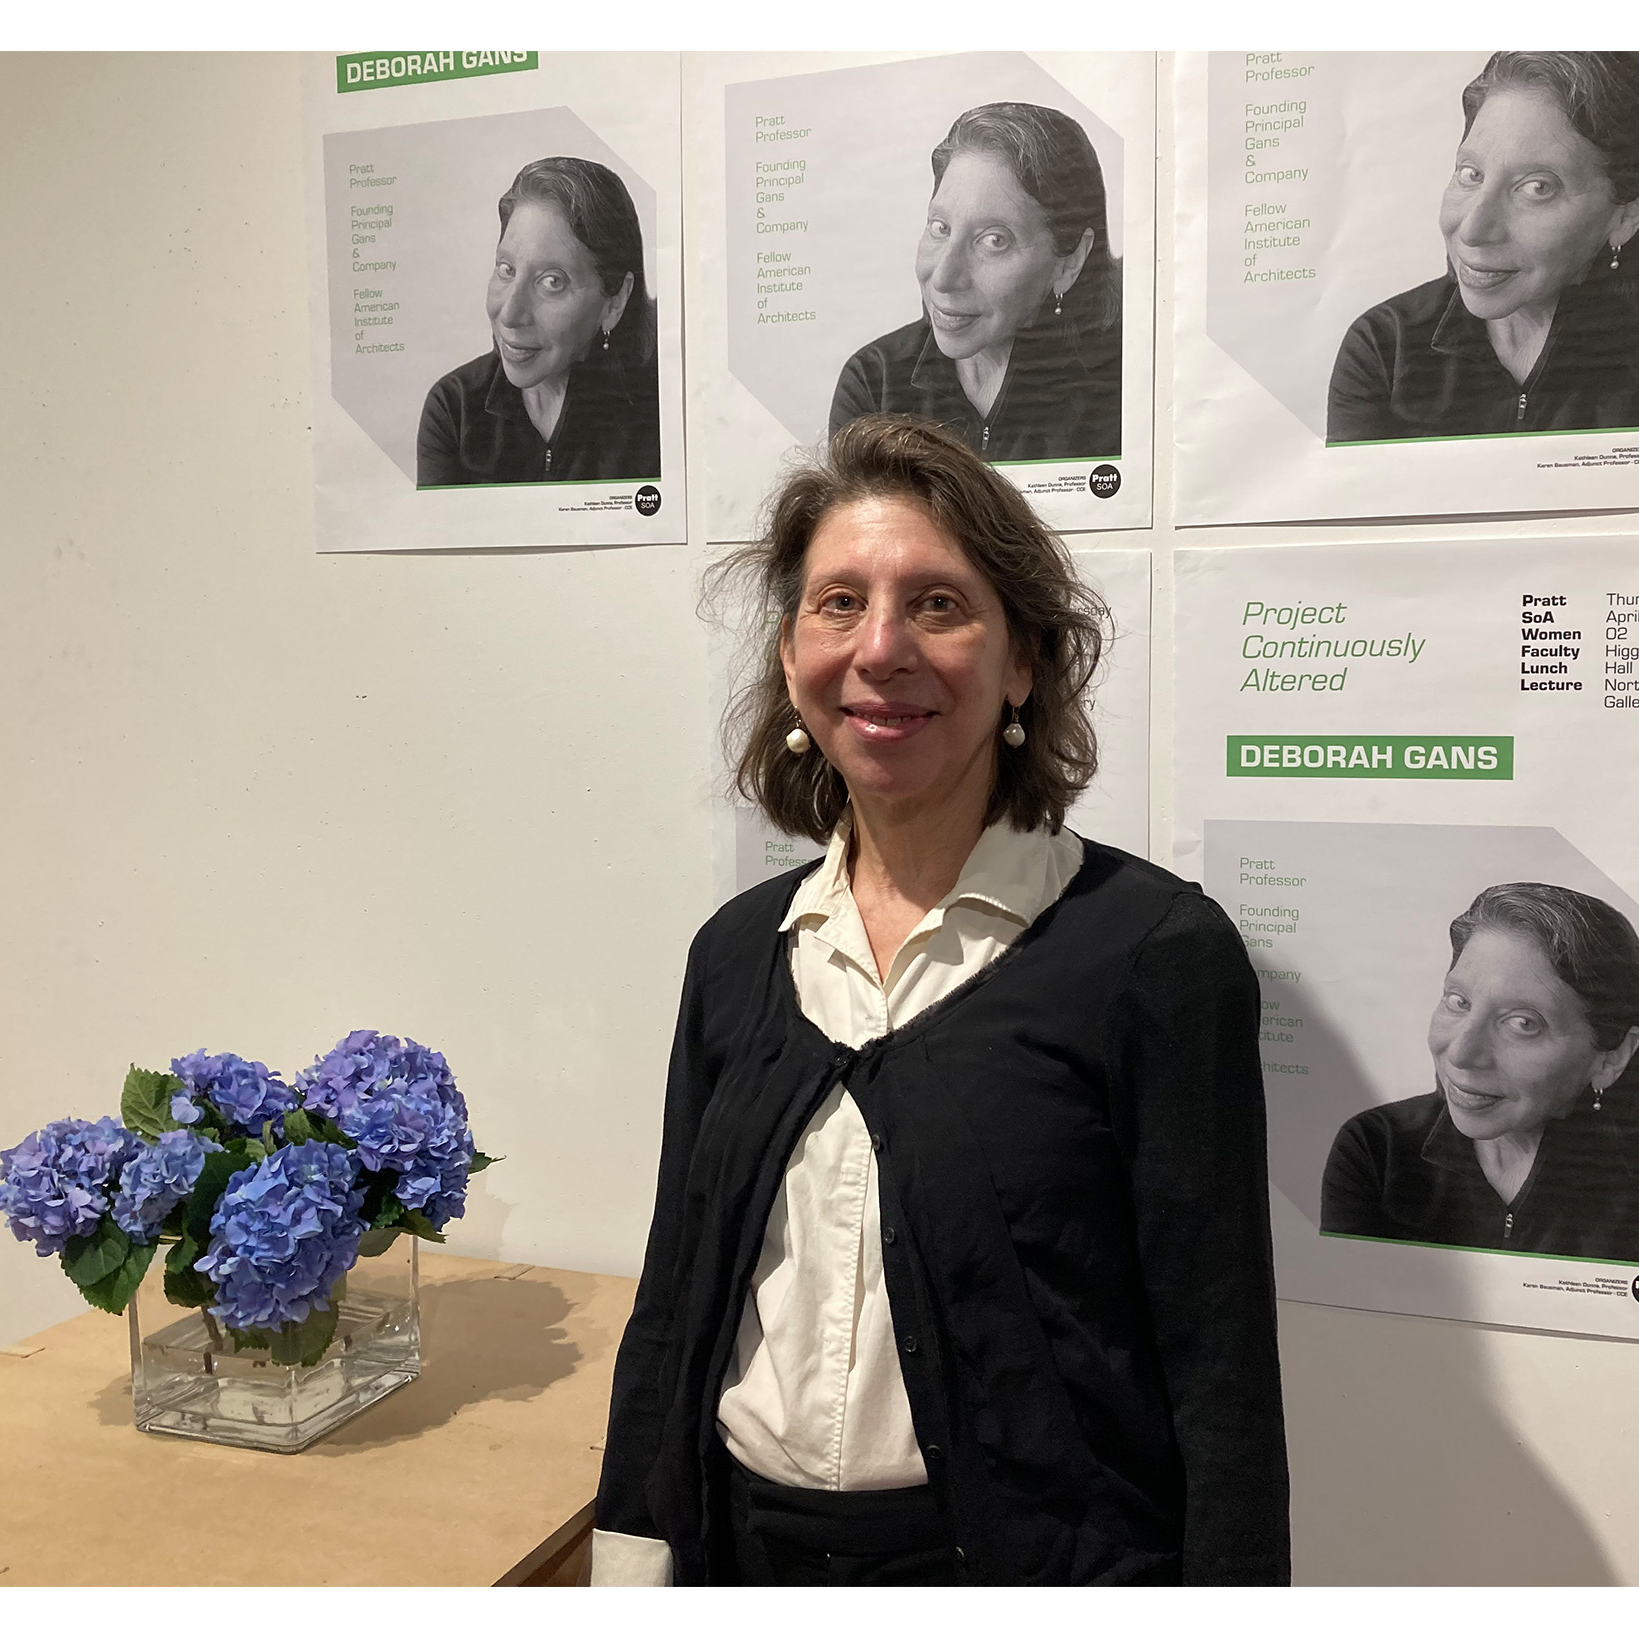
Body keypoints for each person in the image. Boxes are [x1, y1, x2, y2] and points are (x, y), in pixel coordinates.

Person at [593, 416, 1288, 1585]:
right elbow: (674, 1300)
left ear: (1022, 660)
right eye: (836, 604)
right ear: (786, 653)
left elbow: (1216, 1368)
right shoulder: (736, 955)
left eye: (936, 605)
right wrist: (626, 1573)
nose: (879, 650)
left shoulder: (1152, 955)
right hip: (743, 1559)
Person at [1327, 52, 1639, 444]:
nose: (1472, 230)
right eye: (1471, 174)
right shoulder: (1385, 349)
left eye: (1538, 187)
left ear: (1631, 209)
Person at [1321, 882, 1639, 1264]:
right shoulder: (1377, 1151)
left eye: (1523, 1023)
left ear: (1610, 1059)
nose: (1460, 1052)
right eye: (1459, 1002)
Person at [829, 103, 1123, 463]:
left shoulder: (1123, 385)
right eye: (940, 228)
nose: (942, 277)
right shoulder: (876, 384)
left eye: (994, 240)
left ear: (1070, 261)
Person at [417, 156, 660, 487]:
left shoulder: (663, 410)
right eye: (507, 269)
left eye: (552, 281)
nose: (509, 314)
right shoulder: (454, 410)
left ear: (614, 300)